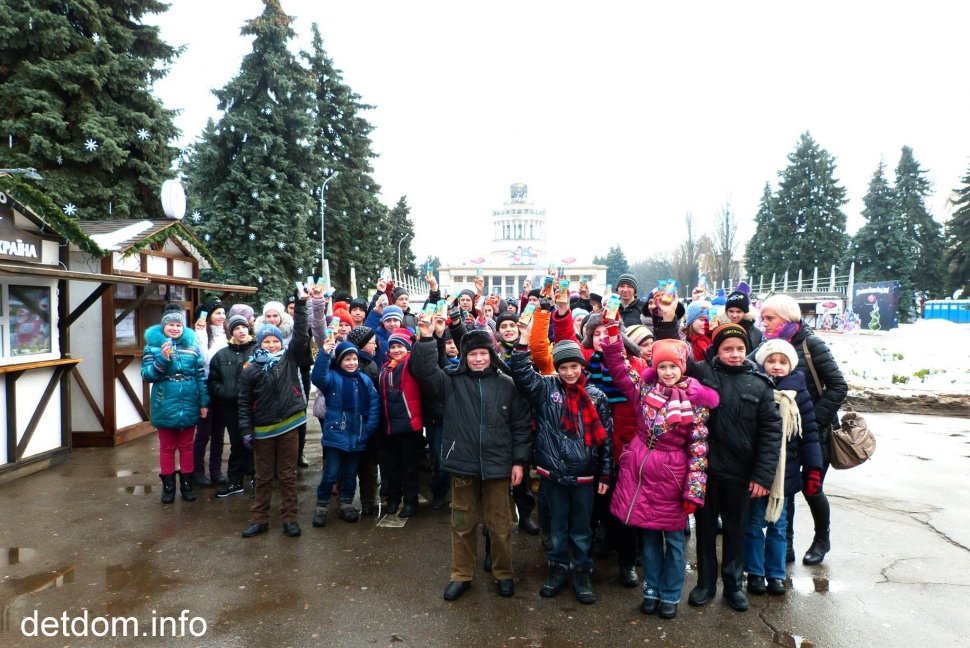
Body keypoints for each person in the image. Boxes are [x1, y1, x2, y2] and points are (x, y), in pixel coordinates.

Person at [411, 319, 532, 601]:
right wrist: (427, 339)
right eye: (472, 354)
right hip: (463, 463)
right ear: (465, 357)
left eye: (483, 354)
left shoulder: (508, 386)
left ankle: (504, 573)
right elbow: (426, 372)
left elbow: (521, 426)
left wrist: (519, 461)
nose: (478, 359)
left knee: (500, 525)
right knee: (462, 523)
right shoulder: (452, 382)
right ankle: (461, 575)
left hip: (499, 466)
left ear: (492, 355)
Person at [602, 336, 719, 619]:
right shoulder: (644, 390)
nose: (668, 372)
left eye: (673, 366)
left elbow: (699, 450)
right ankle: (651, 591)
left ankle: (670, 594)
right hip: (642, 472)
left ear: (682, 368)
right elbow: (619, 368)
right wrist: (611, 339)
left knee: (676, 543)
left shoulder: (695, 402)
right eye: (662, 366)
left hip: (673, 476)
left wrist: (694, 491)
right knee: (650, 540)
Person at [510, 330, 613, 605]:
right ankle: (557, 567)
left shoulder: (596, 397)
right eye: (564, 367)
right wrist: (522, 341)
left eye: (574, 366)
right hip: (553, 474)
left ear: (582, 366)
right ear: (557, 368)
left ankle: (581, 571)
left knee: (582, 528)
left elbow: (606, 440)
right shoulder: (546, 389)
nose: (569, 372)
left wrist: (605, 472)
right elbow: (520, 373)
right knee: (556, 526)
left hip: (585, 476)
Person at [687, 323, 782, 613]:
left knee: (736, 530)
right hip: (705, 472)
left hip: (740, 474)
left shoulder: (759, 384)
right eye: (728, 349)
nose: (735, 354)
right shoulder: (700, 373)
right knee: (704, 530)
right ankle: (704, 583)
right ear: (717, 350)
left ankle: (733, 585)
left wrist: (762, 476)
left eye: (740, 348)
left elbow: (770, 433)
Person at [757, 294, 847, 565]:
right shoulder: (769, 345)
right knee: (787, 489)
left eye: (769, 318)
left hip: (814, 433)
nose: (764, 323)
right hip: (784, 434)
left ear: (787, 317)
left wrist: (812, 421)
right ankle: (786, 545)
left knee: (812, 488)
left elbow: (838, 386)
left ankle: (822, 539)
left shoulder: (810, 343)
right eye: (763, 318)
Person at [746, 339, 823, 596]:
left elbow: (809, 433)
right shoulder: (756, 387)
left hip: (786, 474)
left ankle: (776, 574)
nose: (776, 366)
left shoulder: (799, 394)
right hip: (758, 471)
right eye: (771, 361)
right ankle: (755, 572)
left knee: (779, 527)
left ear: (791, 365)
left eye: (782, 362)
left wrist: (813, 468)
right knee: (755, 524)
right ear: (762, 363)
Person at [237, 289, 309, 539]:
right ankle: (260, 519)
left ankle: (290, 518)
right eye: (266, 341)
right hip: (263, 429)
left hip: (289, 424)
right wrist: (246, 431)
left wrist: (300, 305)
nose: (271, 345)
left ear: (281, 342)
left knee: (288, 476)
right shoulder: (250, 369)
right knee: (264, 476)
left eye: (275, 341)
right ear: (259, 343)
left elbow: (300, 337)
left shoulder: (289, 359)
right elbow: (244, 402)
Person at [141, 305, 209, 504]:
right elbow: (147, 375)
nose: (175, 328)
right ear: (164, 326)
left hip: (189, 401)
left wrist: (204, 402)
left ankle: (187, 484)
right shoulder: (152, 347)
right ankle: (168, 487)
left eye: (178, 324)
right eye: (171, 324)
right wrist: (163, 358)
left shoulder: (192, 346)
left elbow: (199, 376)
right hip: (164, 402)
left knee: (187, 446)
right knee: (167, 447)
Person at [311, 340, 380, 527]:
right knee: (331, 473)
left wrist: (366, 432)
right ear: (340, 361)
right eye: (347, 359)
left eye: (354, 359)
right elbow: (317, 377)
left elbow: (374, 409)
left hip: (357, 438)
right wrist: (324, 354)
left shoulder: (364, 381)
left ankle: (346, 504)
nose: (351, 363)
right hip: (335, 437)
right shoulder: (332, 379)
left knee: (350, 474)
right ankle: (322, 505)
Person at [207, 314, 257, 498]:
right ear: (231, 332)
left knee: (254, 444)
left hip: (254, 407)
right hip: (231, 407)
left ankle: (256, 479)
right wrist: (225, 392)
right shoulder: (221, 355)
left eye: (243, 327)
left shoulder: (257, 350)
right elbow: (213, 381)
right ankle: (235, 481)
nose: (241, 331)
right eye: (236, 328)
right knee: (236, 444)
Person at [378, 328, 425, 518]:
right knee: (392, 466)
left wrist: (421, 338)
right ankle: (394, 499)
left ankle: (411, 501)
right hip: (389, 425)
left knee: (409, 466)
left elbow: (421, 357)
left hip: (408, 425)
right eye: (394, 346)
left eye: (400, 346)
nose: (397, 350)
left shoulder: (410, 364)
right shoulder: (385, 366)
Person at [192, 299, 228, 487]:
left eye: (223, 313)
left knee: (219, 432)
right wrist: (200, 333)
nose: (221, 317)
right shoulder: (200, 334)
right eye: (217, 313)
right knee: (203, 432)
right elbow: (203, 358)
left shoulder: (227, 333)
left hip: (223, 387)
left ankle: (216, 470)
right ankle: (197, 470)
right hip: (206, 386)